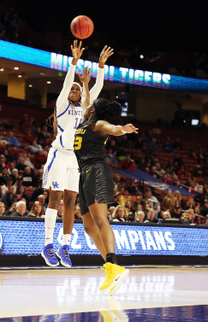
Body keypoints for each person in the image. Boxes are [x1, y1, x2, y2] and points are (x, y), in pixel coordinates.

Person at [41, 41, 113, 268]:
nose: (74, 90)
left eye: (77, 89)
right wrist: (73, 63)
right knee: (55, 198)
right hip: (59, 155)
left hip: (76, 159)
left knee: (71, 201)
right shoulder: (62, 104)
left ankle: (65, 246)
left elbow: (98, 89)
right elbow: (65, 85)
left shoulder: (84, 109)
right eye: (72, 89)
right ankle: (47, 246)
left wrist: (101, 67)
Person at [73, 77, 137, 295]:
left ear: (94, 111)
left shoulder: (98, 124)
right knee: (89, 227)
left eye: (91, 105)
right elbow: (86, 100)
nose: (87, 105)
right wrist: (85, 82)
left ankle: (114, 264)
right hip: (84, 174)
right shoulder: (85, 120)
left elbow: (112, 128)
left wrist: (123, 129)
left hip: (97, 171)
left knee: (101, 220)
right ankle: (111, 269)